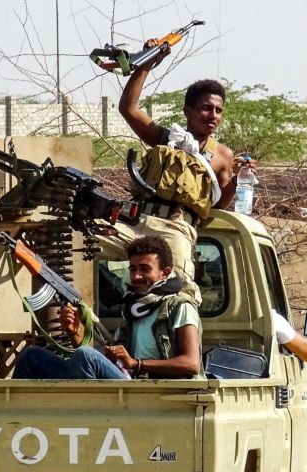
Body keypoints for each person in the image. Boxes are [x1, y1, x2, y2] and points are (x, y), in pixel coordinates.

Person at [96, 39, 255, 304]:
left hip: (175, 229)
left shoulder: (223, 156)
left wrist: (239, 178)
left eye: (218, 111)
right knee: (75, 240)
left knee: (181, 293)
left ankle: (182, 344)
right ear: (188, 111)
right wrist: (146, 64)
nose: (213, 115)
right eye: (206, 108)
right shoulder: (168, 138)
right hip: (136, 222)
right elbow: (129, 109)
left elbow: (219, 204)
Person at [14, 236, 201, 380]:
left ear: (164, 273)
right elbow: (109, 360)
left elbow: (191, 363)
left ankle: (89, 422)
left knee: (85, 355)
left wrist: (137, 364)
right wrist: (76, 335)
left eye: (145, 269)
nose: (136, 276)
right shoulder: (135, 307)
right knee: (32, 356)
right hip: (130, 380)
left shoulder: (179, 306)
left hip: (156, 392)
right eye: (133, 269)